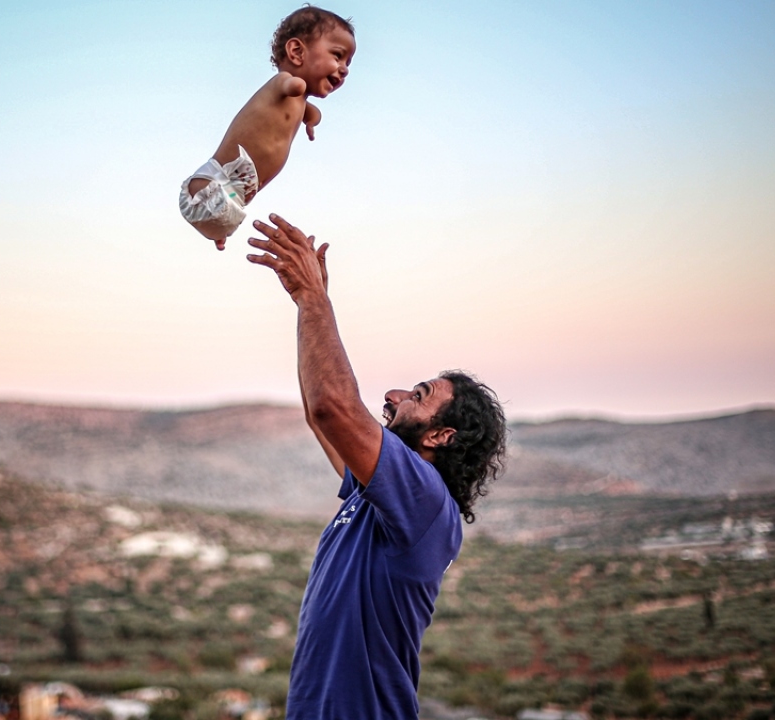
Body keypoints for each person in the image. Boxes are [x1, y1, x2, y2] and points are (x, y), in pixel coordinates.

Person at [246, 214, 508, 719]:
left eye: (418, 396)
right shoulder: (382, 497)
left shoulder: (424, 499)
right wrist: (309, 304)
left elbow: (333, 408)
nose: (393, 395)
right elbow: (320, 417)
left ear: (439, 436)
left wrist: (314, 300)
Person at [179, 7, 356, 250]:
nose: (345, 68)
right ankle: (216, 226)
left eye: (348, 62)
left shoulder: (301, 102)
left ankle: (218, 231)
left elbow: (312, 112)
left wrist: (312, 120)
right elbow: (289, 85)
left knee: (226, 216)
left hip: (234, 196)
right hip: (213, 182)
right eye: (337, 56)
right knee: (221, 205)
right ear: (296, 52)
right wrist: (295, 87)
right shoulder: (282, 83)